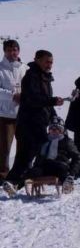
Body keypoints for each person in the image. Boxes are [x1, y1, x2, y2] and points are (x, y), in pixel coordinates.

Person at [4, 50, 63, 193]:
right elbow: (32, 99)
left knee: (28, 154)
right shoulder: (32, 77)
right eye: (46, 62)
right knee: (30, 153)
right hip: (29, 123)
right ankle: (16, 181)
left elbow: (45, 102)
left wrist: (53, 115)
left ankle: (14, 182)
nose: (49, 65)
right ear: (37, 60)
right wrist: (53, 101)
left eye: (51, 62)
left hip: (39, 122)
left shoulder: (45, 77)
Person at [21, 116, 80, 194]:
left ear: (61, 131)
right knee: (32, 172)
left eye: (56, 129)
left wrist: (72, 172)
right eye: (51, 129)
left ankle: (67, 183)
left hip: (59, 165)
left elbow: (77, 157)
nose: (53, 131)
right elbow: (38, 155)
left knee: (62, 171)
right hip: (44, 166)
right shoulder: (44, 141)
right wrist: (34, 165)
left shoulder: (66, 141)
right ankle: (15, 186)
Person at [0, 39, 26, 178]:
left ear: (18, 51)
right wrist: (12, 96)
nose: (12, 52)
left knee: (23, 147)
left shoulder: (24, 68)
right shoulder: (0, 68)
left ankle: (18, 174)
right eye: (9, 50)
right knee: (5, 148)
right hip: (5, 114)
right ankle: (3, 175)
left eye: (15, 49)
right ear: (4, 51)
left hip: (23, 114)